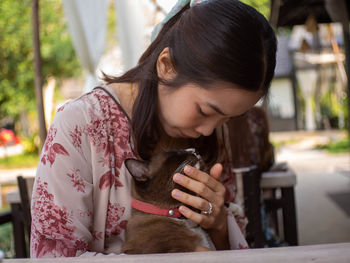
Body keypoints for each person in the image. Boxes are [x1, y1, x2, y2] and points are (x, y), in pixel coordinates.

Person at [30, 0, 277, 257]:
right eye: (205, 111)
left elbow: (232, 251)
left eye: (228, 118)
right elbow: (53, 258)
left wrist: (218, 225)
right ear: (166, 65)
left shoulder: (211, 132)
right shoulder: (81, 126)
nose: (208, 130)